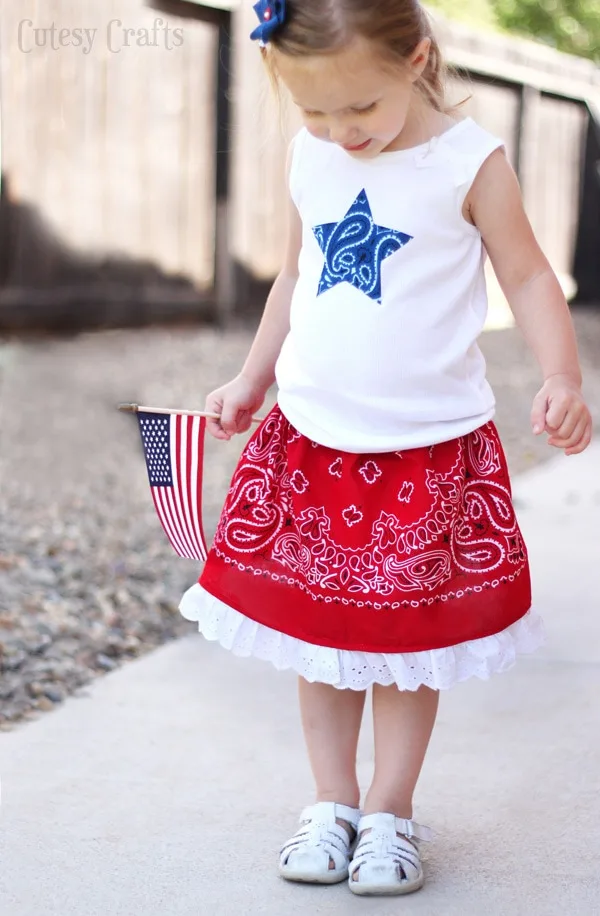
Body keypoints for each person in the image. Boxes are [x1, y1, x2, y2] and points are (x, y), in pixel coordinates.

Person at [179, 0, 593, 897]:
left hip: (426, 451)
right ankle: (331, 802)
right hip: (315, 437)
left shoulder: (469, 160)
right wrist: (254, 376)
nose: (339, 132)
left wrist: (563, 375)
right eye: (315, 112)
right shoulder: (312, 154)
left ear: (416, 59)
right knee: (321, 641)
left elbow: (524, 271)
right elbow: (295, 272)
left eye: (358, 109)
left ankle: (391, 811)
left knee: (405, 650)